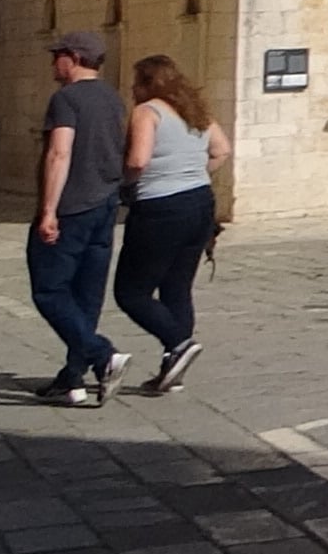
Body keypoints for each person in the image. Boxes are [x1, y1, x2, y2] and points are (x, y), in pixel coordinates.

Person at [113, 54, 230, 395]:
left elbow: (138, 160)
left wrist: (124, 183)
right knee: (176, 287)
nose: (133, 89)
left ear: (150, 84)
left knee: (131, 292)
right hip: (199, 202)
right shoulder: (197, 111)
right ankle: (173, 367)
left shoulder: (147, 112)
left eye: (137, 82)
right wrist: (191, 174)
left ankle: (178, 343)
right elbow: (222, 150)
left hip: (160, 206)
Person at [28, 29, 133, 405]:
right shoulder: (113, 98)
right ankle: (73, 379)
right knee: (86, 295)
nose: (53, 62)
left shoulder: (66, 99)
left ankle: (103, 356)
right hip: (105, 204)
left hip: (72, 204)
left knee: (49, 290)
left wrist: (48, 211)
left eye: (57, 54)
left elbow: (60, 153)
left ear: (72, 57)